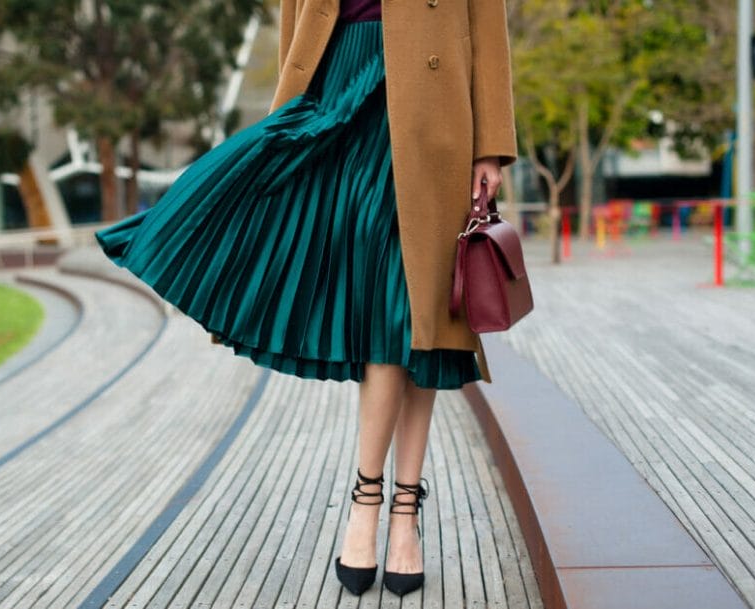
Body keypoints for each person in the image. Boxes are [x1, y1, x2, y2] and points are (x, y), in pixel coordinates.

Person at [95, 0, 517, 597]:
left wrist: (491, 144)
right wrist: (292, 101)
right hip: (338, 94)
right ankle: (377, 502)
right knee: (389, 311)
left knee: (418, 316)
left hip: (432, 104)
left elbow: (487, 23)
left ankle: (394, 510)